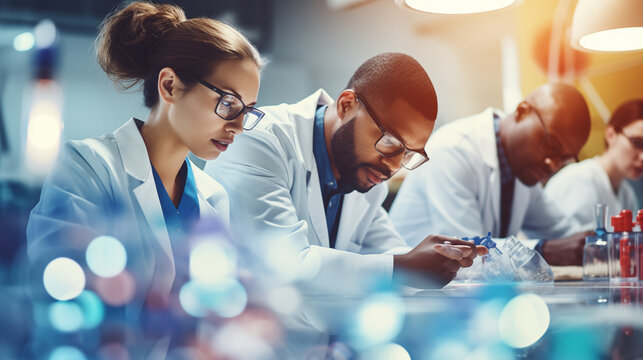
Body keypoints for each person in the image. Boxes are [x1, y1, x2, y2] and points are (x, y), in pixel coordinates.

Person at [27, 2, 263, 303]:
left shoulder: (214, 197)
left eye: (248, 111)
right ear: (170, 86)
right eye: (229, 103)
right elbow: (57, 287)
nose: (239, 126)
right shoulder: (87, 168)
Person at [206, 53, 487, 295]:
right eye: (390, 142)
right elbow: (283, 265)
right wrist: (404, 266)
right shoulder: (258, 141)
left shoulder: (367, 175)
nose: (394, 166)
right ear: (346, 105)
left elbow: (385, 251)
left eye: (408, 154)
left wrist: (443, 258)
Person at [389, 82, 592, 266]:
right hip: (411, 294)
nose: (553, 164)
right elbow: (466, 254)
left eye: (565, 159)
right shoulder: (453, 149)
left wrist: (599, 242)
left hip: (462, 294)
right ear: (522, 111)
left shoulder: (526, 169)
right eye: (550, 145)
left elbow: (562, 233)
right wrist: (542, 250)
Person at [545, 99, 643, 232]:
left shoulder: (626, 194)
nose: (642, 157)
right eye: (637, 143)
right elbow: (566, 247)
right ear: (611, 135)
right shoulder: (578, 181)